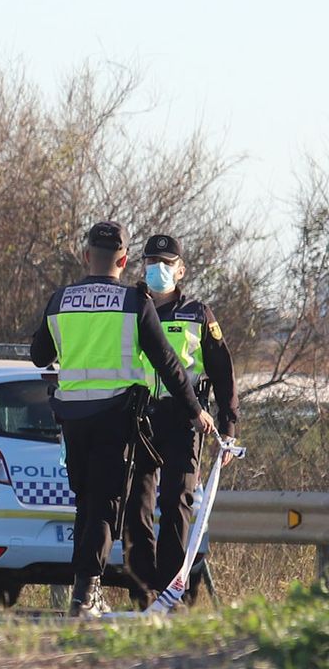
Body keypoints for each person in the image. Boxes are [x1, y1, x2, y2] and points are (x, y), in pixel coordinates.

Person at [29, 221, 216, 618]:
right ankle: (86, 591)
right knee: (104, 501)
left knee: (86, 500)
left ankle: (84, 588)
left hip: (72, 416)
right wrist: (196, 409)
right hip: (116, 415)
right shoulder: (134, 301)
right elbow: (168, 363)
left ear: (85, 257)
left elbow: (39, 355)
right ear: (124, 259)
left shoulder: (60, 299)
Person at [125, 234, 239, 605]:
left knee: (177, 502)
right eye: (152, 261)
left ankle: (172, 594)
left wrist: (228, 425)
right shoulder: (130, 308)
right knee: (137, 503)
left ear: (181, 269)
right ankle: (143, 591)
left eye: (167, 263)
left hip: (187, 419)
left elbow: (223, 372)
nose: (159, 269)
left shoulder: (198, 313)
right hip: (140, 416)